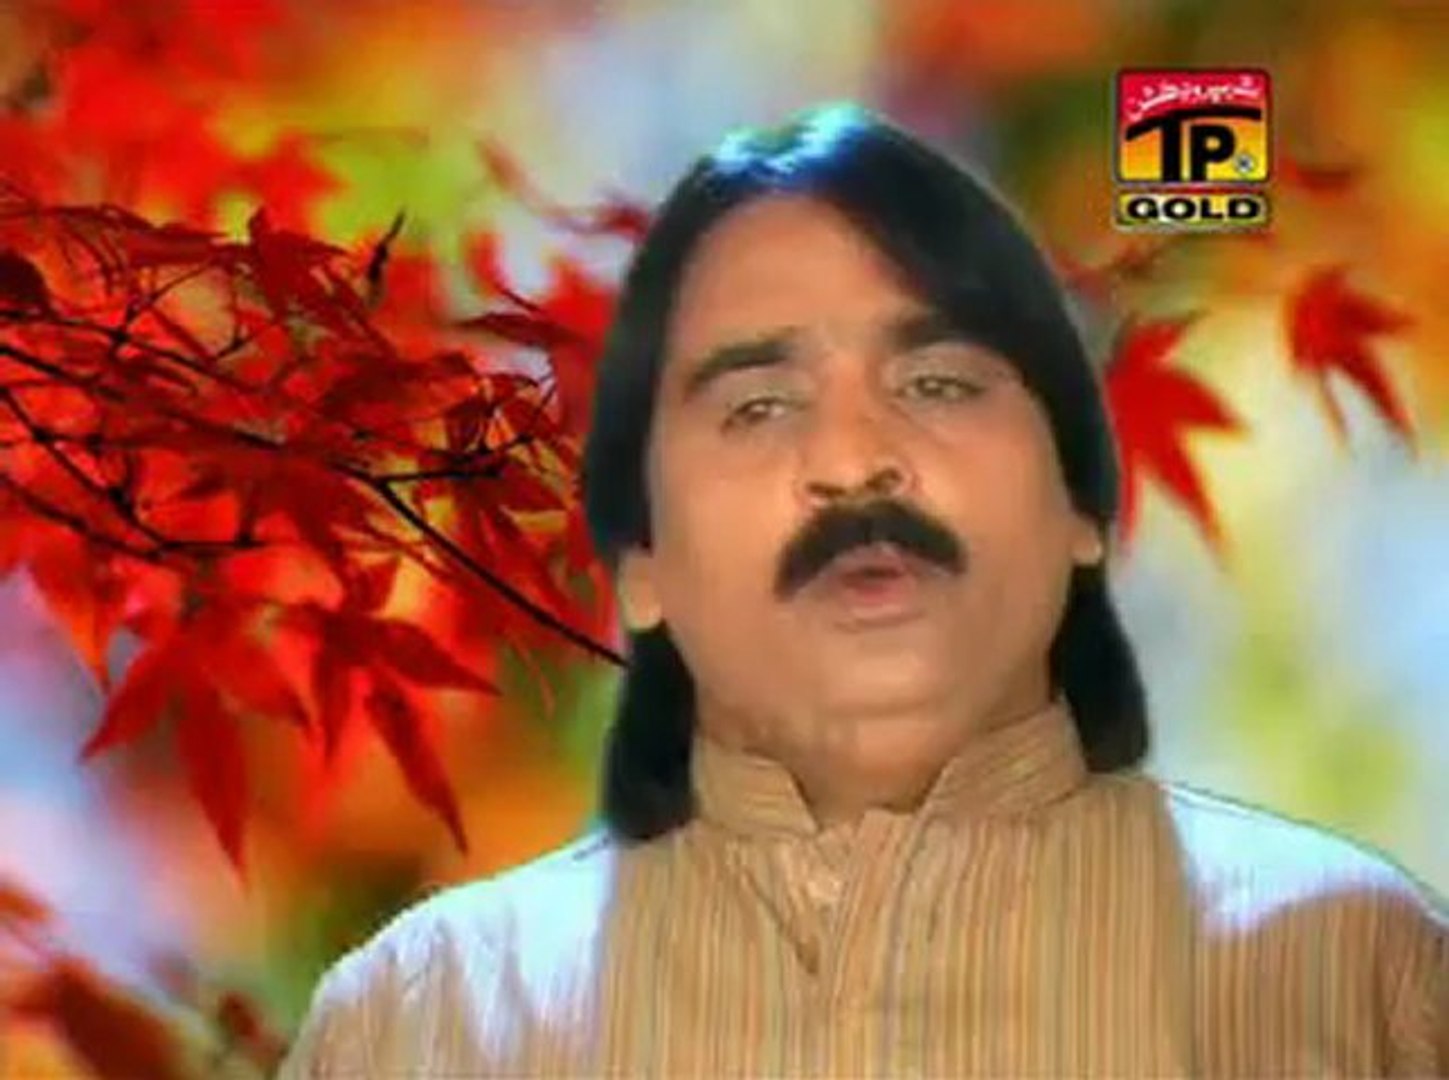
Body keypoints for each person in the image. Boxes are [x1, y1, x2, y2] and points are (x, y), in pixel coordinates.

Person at [278, 103, 1447, 1078]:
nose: (852, 460)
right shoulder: (430, 1022)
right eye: (757, 405)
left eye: (938, 382)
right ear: (641, 564)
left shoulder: (1353, 975)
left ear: (1081, 507)